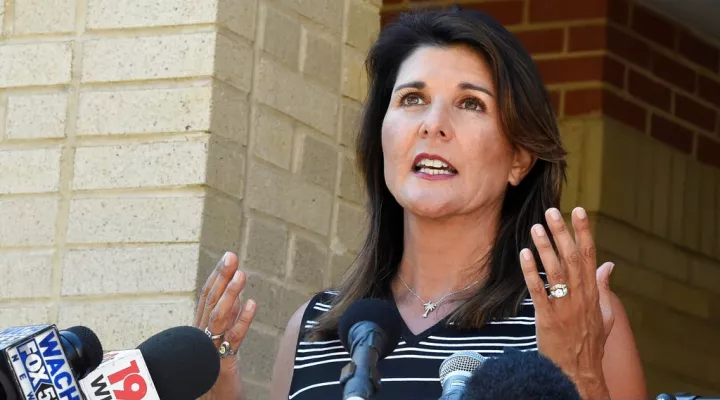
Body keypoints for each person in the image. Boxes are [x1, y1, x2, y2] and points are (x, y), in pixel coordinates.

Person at [193, 7, 647, 400]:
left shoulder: (576, 316)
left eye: (470, 104)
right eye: (413, 99)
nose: (433, 124)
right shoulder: (314, 329)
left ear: (519, 158)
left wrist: (579, 373)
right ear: (382, 138)